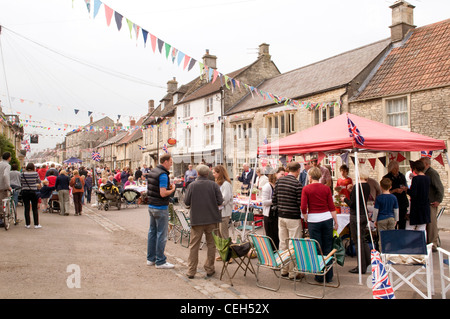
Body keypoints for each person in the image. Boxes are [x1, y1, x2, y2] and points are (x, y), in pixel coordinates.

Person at [184, 164, 223, 279]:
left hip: (197, 219)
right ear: (207, 174)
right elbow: (220, 201)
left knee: (194, 245)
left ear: (198, 173)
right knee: (211, 245)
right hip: (212, 218)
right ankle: (210, 269)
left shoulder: (192, 185)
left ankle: (191, 271)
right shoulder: (213, 185)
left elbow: (186, 202)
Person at [301, 166, 338, 283]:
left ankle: (319, 275)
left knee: (317, 247)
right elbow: (331, 206)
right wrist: (336, 221)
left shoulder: (306, 189)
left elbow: (303, 206)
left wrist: (305, 216)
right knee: (328, 246)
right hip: (327, 218)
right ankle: (329, 275)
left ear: (310, 177)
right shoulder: (326, 189)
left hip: (314, 220)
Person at [272, 161, 303, 279]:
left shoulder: (279, 181)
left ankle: (284, 269)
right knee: (293, 244)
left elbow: (274, 199)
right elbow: (299, 203)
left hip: (281, 215)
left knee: (283, 243)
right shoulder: (297, 184)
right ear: (298, 170)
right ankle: (293, 272)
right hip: (293, 217)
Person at [146, 153, 176, 269]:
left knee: (152, 232)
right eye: (171, 162)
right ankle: (160, 261)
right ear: (166, 162)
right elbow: (163, 193)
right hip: (160, 207)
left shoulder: (153, 171)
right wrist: (172, 189)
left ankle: (150, 258)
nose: (171, 164)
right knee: (161, 234)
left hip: (152, 205)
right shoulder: (163, 175)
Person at [343, 168, 371, 274]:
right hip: (364, 213)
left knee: (357, 241)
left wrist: (344, 199)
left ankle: (361, 266)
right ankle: (367, 262)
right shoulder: (367, 186)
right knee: (363, 240)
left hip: (356, 215)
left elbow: (353, 204)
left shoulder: (357, 186)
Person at [420, 157, 445, 251]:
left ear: (426, 164)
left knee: (432, 224)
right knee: (428, 224)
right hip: (426, 202)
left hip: (432, 203)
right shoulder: (426, 173)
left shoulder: (432, 173)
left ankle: (433, 244)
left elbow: (440, 187)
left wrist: (438, 200)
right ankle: (429, 243)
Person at [261, 167, 285, 250]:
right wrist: (276, 200)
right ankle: (272, 255)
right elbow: (264, 202)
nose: (283, 176)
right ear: (275, 174)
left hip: (277, 214)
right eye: (281, 174)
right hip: (269, 215)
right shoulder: (267, 186)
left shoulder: (278, 185)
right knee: (271, 237)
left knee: (278, 236)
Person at [372, 178, 399, 249]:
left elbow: (376, 210)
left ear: (381, 187)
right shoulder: (394, 197)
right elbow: (396, 210)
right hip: (391, 217)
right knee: (391, 238)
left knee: (382, 239)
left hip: (381, 218)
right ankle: (391, 253)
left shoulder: (379, 198)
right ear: (390, 187)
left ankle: (383, 254)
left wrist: (374, 220)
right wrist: (396, 219)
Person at [406, 160, 431, 235]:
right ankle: (422, 244)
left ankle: (410, 245)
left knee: (410, 227)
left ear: (415, 168)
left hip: (417, 207)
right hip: (425, 206)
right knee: (422, 228)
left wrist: (406, 190)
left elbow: (414, 193)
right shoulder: (427, 178)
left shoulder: (416, 179)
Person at [383, 161, 409, 230]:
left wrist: (404, 189)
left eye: (398, 168)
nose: (397, 170)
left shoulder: (401, 176)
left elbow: (406, 186)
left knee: (402, 223)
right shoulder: (386, 178)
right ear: (391, 169)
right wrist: (395, 190)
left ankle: (402, 238)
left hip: (402, 203)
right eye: (395, 169)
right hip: (392, 204)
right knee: (392, 223)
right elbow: (385, 191)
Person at [212, 165, 233, 241]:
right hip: (218, 211)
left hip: (224, 212)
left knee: (223, 233)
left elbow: (225, 199)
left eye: (214, 173)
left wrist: (215, 202)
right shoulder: (218, 183)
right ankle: (222, 249)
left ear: (219, 173)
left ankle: (226, 250)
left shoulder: (226, 184)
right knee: (218, 233)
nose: (213, 174)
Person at [20, 163, 42, 229]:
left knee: (26, 208)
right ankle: (36, 224)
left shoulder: (23, 174)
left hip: (25, 191)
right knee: (34, 208)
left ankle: (27, 224)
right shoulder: (35, 173)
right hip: (33, 191)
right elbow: (38, 181)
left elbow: (21, 182)